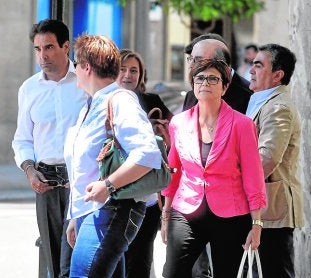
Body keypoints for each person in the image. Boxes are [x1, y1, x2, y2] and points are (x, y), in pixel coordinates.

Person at [64, 34, 161, 277]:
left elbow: (147, 154)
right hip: (96, 211)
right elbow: (84, 169)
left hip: (114, 207)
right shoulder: (92, 104)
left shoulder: (119, 99)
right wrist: (76, 216)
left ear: (86, 67)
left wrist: (108, 185)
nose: (73, 69)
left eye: (75, 64)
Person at [160, 59, 267, 278]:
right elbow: (174, 169)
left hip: (231, 214)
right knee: (172, 273)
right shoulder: (178, 123)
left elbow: (253, 175)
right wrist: (166, 211)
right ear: (193, 84)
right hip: (186, 210)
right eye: (200, 78)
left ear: (224, 86)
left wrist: (256, 223)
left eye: (213, 78)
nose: (205, 83)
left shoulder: (242, 124)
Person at [12, 19, 85, 278]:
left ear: (66, 47)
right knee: (53, 259)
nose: (42, 55)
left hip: (81, 180)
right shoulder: (29, 88)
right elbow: (22, 139)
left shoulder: (85, 83)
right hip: (45, 181)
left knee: (79, 258)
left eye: (49, 47)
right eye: (38, 49)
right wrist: (30, 170)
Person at [246, 43, 303, 278]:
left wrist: (231, 176)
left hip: (273, 207)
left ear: (278, 75)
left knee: (275, 271)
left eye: (259, 65)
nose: (251, 70)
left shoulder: (279, 107)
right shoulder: (262, 100)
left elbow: (266, 158)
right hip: (264, 206)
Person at [116, 49, 173, 278]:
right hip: (115, 194)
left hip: (148, 197)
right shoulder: (105, 101)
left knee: (140, 260)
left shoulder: (152, 101)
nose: (128, 75)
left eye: (134, 70)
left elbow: (172, 138)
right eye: (122, 69)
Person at [182, 34, 252, 114]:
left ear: (220, 62)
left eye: (198, 59)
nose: (191, 65)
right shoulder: (191, 96)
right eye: (190, 59)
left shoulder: (249, 96)